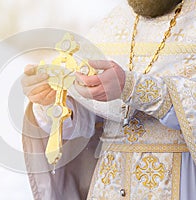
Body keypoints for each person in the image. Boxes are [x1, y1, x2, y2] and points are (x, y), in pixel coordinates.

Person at [21, 0, 196, 199]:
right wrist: (54, 102)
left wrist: (131, 87)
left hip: (178, 180)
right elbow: (89, 122)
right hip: (108, 183)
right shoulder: (114, 22)